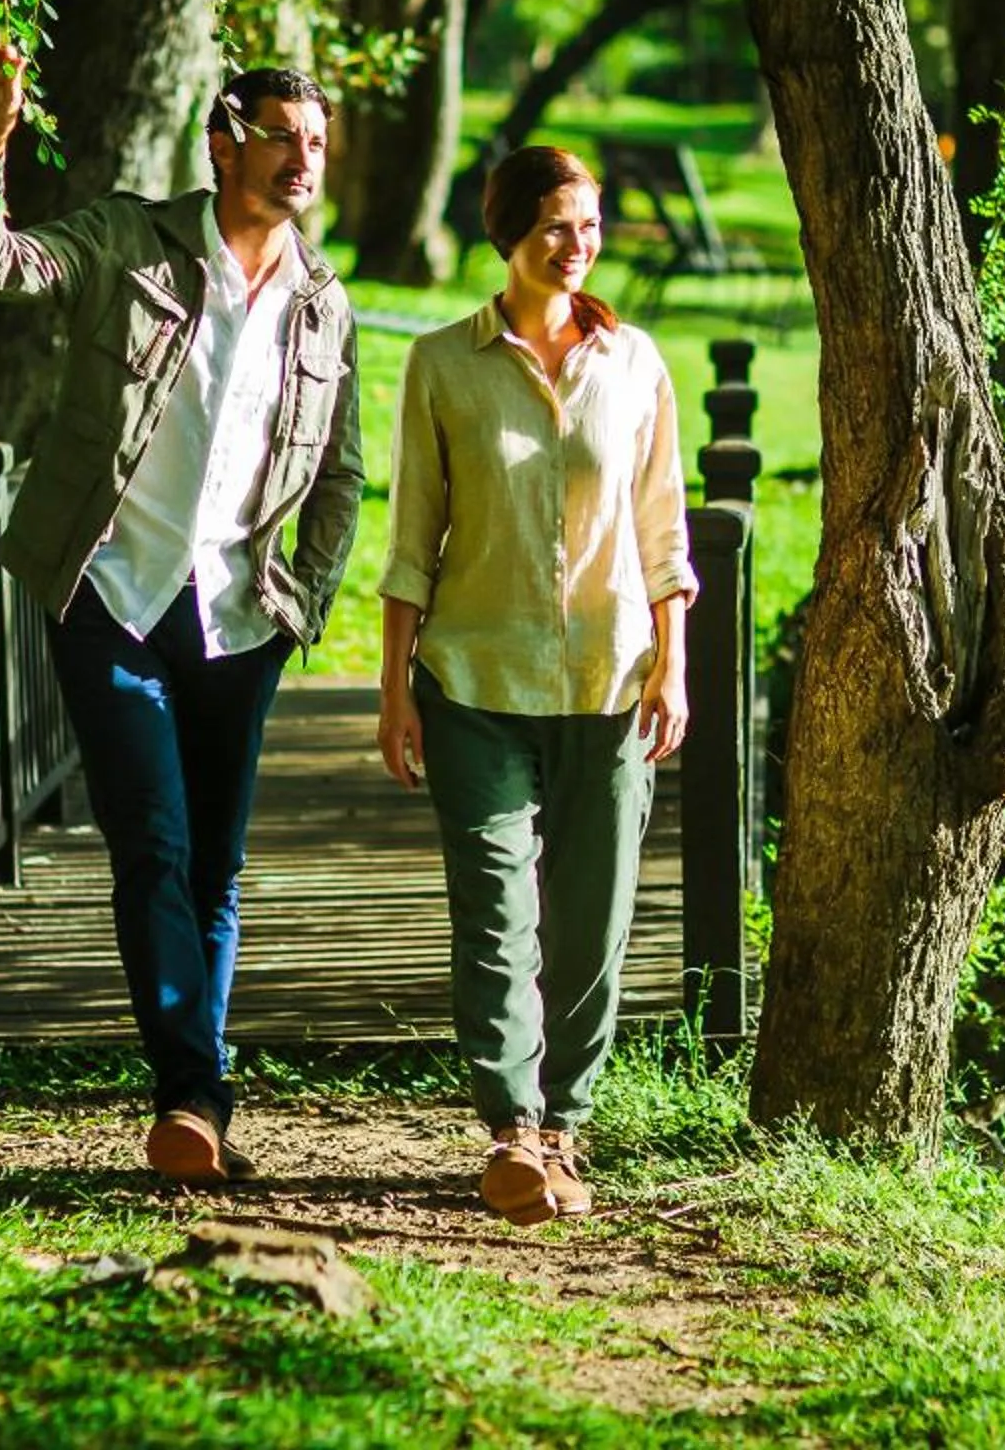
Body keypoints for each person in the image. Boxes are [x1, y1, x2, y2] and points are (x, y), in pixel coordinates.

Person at [0, 31, 361, 1186]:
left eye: (317, 141)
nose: (302, 158)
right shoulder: (132, 237)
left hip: (241, 615)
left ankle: (196, 1092)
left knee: (216, 867)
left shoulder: (323, 304)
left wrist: (302, 604)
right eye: (281, 135)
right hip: (110, 594)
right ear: (225, 140)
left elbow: (342, 473)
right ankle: (192, 1091)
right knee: (155, 848)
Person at [374, 146, 694, 1226]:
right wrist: (393, 686)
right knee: (497, 914)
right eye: (558, 224)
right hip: (472, 674)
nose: (579, 243)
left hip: (609, 682)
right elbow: (412, 535)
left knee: (594, 919)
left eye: (590, 223)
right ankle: (511, 1126)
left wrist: (674, 663)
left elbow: (664, 533)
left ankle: (566, 1120)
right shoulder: (442, 363)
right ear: (508, 233)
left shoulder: (638, 362)